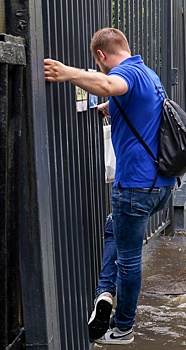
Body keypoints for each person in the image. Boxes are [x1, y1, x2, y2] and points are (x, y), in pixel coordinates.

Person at [44, 28, 175, 345]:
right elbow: (139, 108)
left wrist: (66, 73)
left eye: (97, 63)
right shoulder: (147, 73)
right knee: (113, 227)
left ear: (101, 56)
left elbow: (107, 84)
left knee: (129, 261)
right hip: (161, 185)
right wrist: (110, 109)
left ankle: (123, 328)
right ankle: (104, 294)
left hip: (134, 186)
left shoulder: (124, 73)